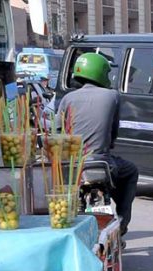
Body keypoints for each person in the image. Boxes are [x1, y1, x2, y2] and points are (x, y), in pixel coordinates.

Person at [58, 52, 139, 237]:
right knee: (131, 171)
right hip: (101, 164)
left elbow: (59, 133)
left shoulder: (67, 99)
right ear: (101, 73)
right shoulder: (112, 96)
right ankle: (122, 223)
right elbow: (113, 133)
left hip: (72, 167)